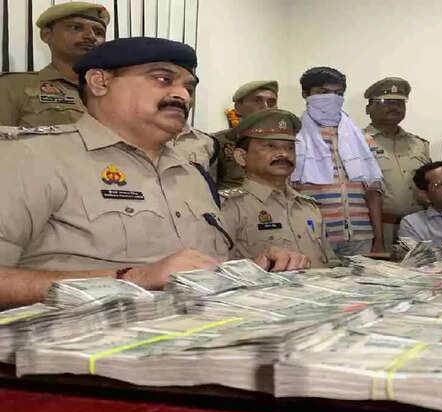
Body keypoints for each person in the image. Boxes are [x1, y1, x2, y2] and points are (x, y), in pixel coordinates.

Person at [0, 37, 308, 307]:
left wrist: (253, 268)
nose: (183, 95)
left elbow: (194, 267)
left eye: (189, 87)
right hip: (81, 351)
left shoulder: (192, 174)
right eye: (163, 79)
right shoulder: (31, 158)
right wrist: (132, 278)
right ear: (99, 82)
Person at [221, 109, 337, 268]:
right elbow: (215, 268)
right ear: (241, 157)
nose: (284, 154)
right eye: (270, 146)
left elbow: (330, 263)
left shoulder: (308, 207)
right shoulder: (229, 207)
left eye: (290, 148)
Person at [290, 67, 385, 256]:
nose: (332, 98)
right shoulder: (295, 138)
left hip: (360, 236)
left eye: (338, 93)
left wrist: (379, 240)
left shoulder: (362, 140)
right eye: (323, 92)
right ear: (305, 94)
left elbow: (373, 193)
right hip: (313, 236)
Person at [0, 2, 109, 127]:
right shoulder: (13, 87)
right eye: (75, 27)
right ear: (47, 35)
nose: (91, 36)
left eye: (98, 32)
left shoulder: (114, 91)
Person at [362, 77, 430, 251]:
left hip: (417, 228)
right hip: (374, 229)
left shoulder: (419, 144)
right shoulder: (355, 142)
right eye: (386, 102)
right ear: (368, 108)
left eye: (400, 103)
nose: (394, 107)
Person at [214, 80, 279, 189]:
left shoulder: (283, 143)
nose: (266, 107)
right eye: (257, 100)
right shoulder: (218, 142)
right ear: (238, 107)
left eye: (272, 102)